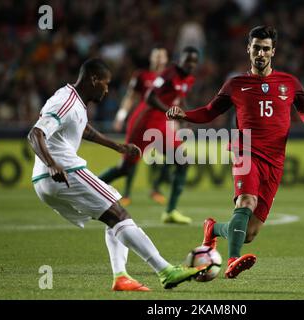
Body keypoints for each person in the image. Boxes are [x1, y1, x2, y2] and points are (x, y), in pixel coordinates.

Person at [28, 58, 206, 291]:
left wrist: (118, 147)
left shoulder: (75, 101)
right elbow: (35, 133)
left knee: (113, 216)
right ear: (93, 79)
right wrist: (52, 164)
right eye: (105, 83)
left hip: (46, 181)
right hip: (63, 171)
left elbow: (85, 131)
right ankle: (165, 270)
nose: (107, 89)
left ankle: (121, 277)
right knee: (119, 213)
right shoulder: (66, 101)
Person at [166, 26, 304, 278]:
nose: (261, 53)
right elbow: (210, 111)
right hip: (244, 150)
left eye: (266, 48)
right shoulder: (236, 84)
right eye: (256, 47)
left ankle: (213, 229)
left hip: (274, 161)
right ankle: (232, 260)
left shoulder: (289, 83)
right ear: (248, 49)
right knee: (246, 201)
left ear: (273, 52)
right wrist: (185, 114)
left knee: (249, 233)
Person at [104, 46, 200, 225]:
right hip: (144, 122)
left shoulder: (189, 78)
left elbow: (180, 98)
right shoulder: (168, 74)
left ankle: (170, 212)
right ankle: (88, 188)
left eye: (194, 62)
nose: (191, 65)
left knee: (183, 160)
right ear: (179, 59)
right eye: (188, 60)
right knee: (124, 168)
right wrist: (170, 111)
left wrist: (186, 116)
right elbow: (149, 97)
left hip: (162, 124)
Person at [100, 47, 171, 207]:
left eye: (162, 56)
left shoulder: (170, 77)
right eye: (156, 56)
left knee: (177, 155)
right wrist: (121, 116)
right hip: (142, 122)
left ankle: (156, 188)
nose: (159, 59)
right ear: (151, 58)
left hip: (162, 122)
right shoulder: (141, 75)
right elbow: (130, 96)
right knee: (129, 160)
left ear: (166, 59)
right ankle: (122, 192)